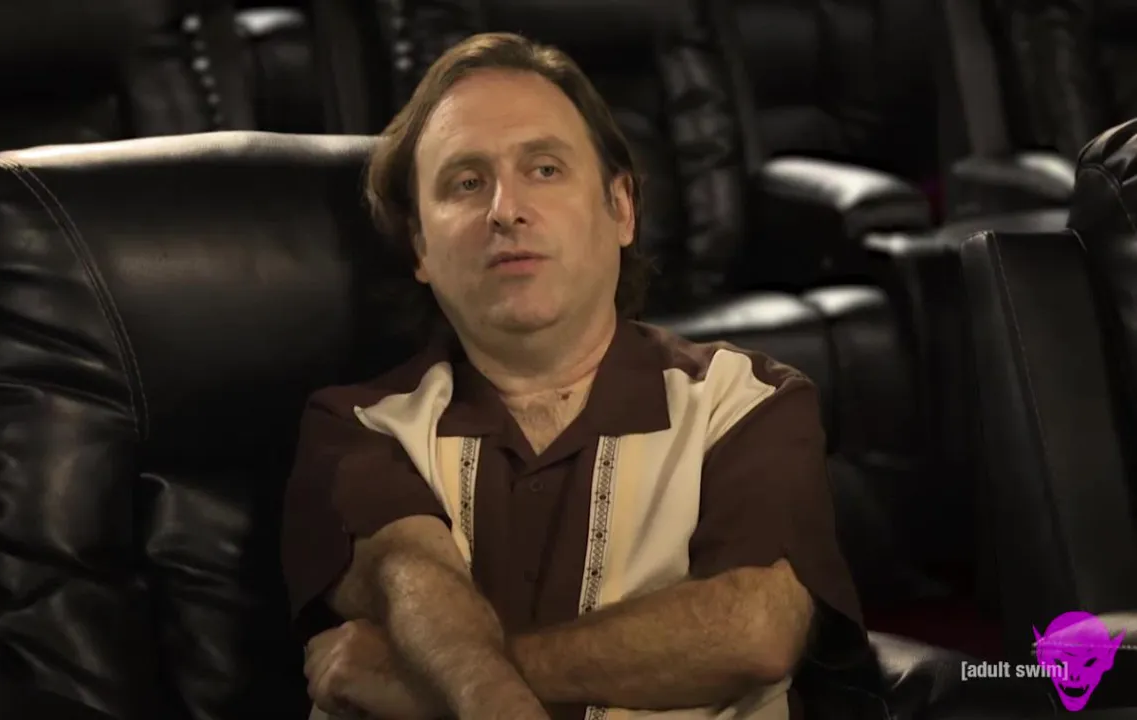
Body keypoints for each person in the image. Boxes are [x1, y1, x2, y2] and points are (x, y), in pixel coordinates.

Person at [283, 32, 872, 720]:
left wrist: (423, 682)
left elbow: (752, 629)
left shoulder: (744, 401)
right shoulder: (359, 426)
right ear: (419, 246)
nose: (504, 209)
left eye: (544, 169)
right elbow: (410, 579)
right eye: (466, 183)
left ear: (620, 208)